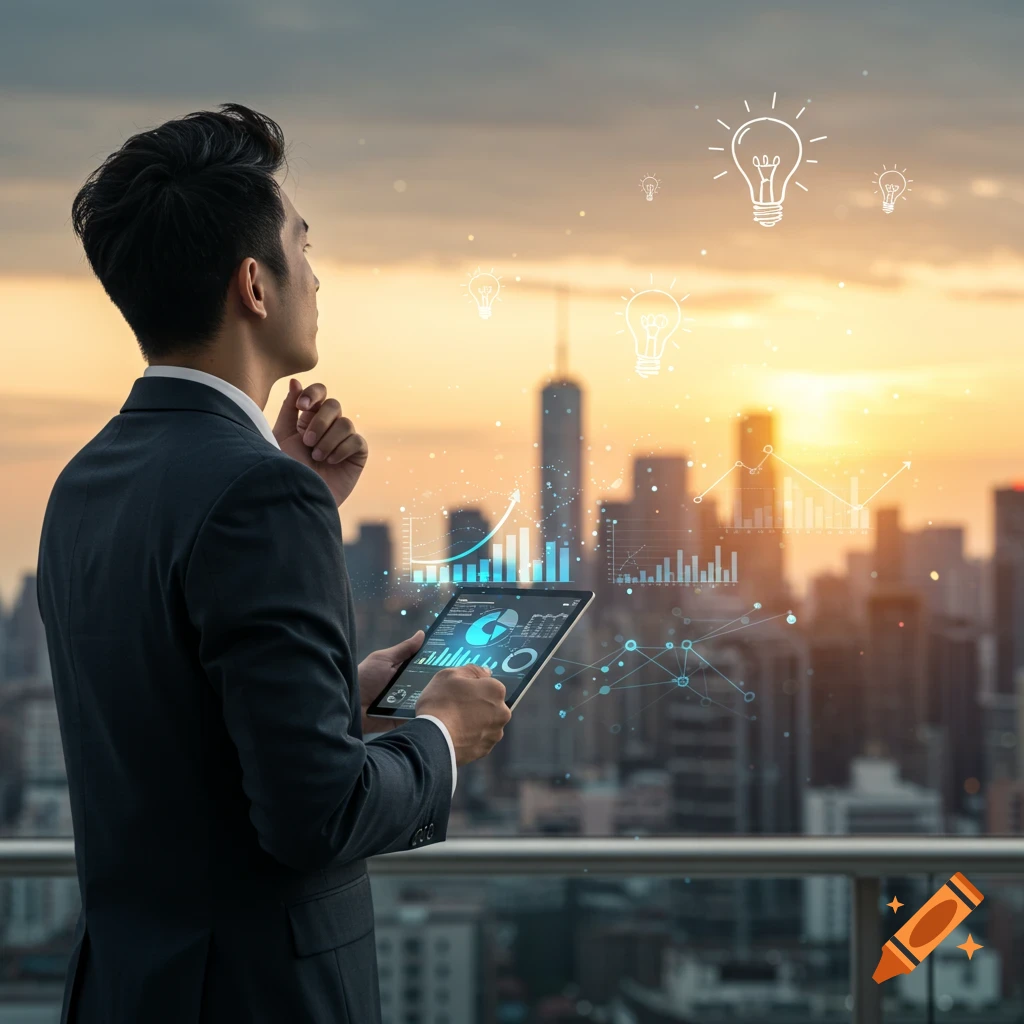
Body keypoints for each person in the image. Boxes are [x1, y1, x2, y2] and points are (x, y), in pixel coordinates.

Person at [35, 102, 511, 1024]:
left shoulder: (85, 480)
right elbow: (313, 819)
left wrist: (338, 696)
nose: (318, 276)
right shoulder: (258, 498)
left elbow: (179, 730)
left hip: (123, 992)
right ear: (255, 284)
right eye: (303, 242)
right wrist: (441, 731)